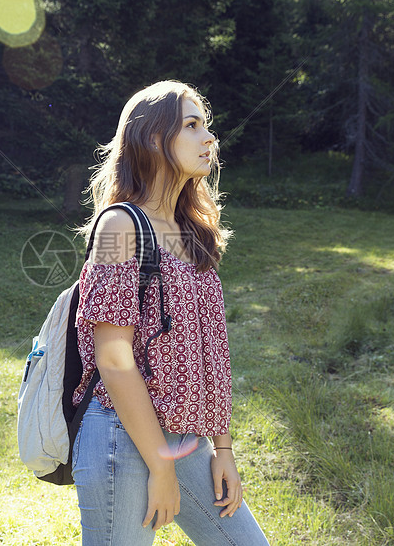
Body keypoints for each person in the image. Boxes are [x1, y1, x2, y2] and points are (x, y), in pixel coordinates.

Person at [71, 81, 270, 545]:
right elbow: (114, 359)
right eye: (193, 125)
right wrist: (159, 467)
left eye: (209, 127)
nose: (210, 139)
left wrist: (222, 448)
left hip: (184, 439)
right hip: (123, 437)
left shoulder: (190, 231)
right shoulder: (121, 225)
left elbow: (211, 353)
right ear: (156, 139)